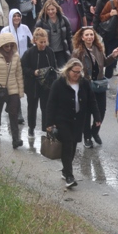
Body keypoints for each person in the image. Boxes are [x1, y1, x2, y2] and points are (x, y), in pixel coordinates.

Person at [46, 59, 98, 188]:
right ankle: (69, 176)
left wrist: (97, 117)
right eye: (75, 72)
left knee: (73, 146)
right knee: (67, 144)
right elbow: (51, 104)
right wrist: (49, 123)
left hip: (78, 120)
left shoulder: (84, 83)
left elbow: (92, 100)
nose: (77, 75)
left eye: (79, 72)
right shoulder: (59, 84)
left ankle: (65, 170)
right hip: (62, 119)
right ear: (68, 70)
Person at [73, 26, 118, 147]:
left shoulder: (98, 49)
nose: (89, 37)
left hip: (99, 85)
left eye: (91, 34)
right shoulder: (77, 52)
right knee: (87, 113)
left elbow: (104, 63)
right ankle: (87, 137)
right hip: (85, 86)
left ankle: (95, 131)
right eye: (87, 35)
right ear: (82, 37)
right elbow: (73, 68)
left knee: (101, 111)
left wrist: (113, 56)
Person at [0, 32, 25, 148]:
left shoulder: (16, 56)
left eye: (11, 45)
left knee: (13, 113)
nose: (9, 48)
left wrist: (20, 91)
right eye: (6, 46)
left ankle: (15, 139)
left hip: (13, 88)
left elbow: (19, 74)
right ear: (1, 45)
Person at [21, 27, 57, 138]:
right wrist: (33, 72)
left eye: (45, 42)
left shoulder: (49, 52)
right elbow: (23, 68)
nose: (43, 44)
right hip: (33, 85)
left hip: (47, 85)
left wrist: (54, 82)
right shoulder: (29, 53)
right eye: (41, 42)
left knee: (46, 108)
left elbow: (54, 67)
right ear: (35, 41)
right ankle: (31, 128)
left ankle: (46, 128)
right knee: (32, 107)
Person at [37, 0, 73, 66]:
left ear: (56, 9)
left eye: (52, 9)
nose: (50, 12)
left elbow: (69, 37)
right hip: (47, 52)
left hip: (61, 51)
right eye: (48, 10)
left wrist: (71, 51)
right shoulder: (41, 22)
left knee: (62, 69)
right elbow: (36, 38)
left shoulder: (64, 20)